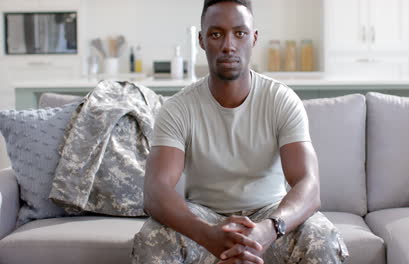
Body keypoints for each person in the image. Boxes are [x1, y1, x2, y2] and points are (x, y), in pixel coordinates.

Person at [131, 0, 348, 263]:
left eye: (239, 33)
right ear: (201, 40)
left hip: (271, 216)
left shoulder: (281, 100)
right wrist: (209, 236)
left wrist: (270, 228)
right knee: (152, 238)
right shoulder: (178, 108)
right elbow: (156, 190)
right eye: (216, 34)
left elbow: (309, 185)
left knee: (321, 237)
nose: (228, 45)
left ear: (254, 38)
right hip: (205, 219)